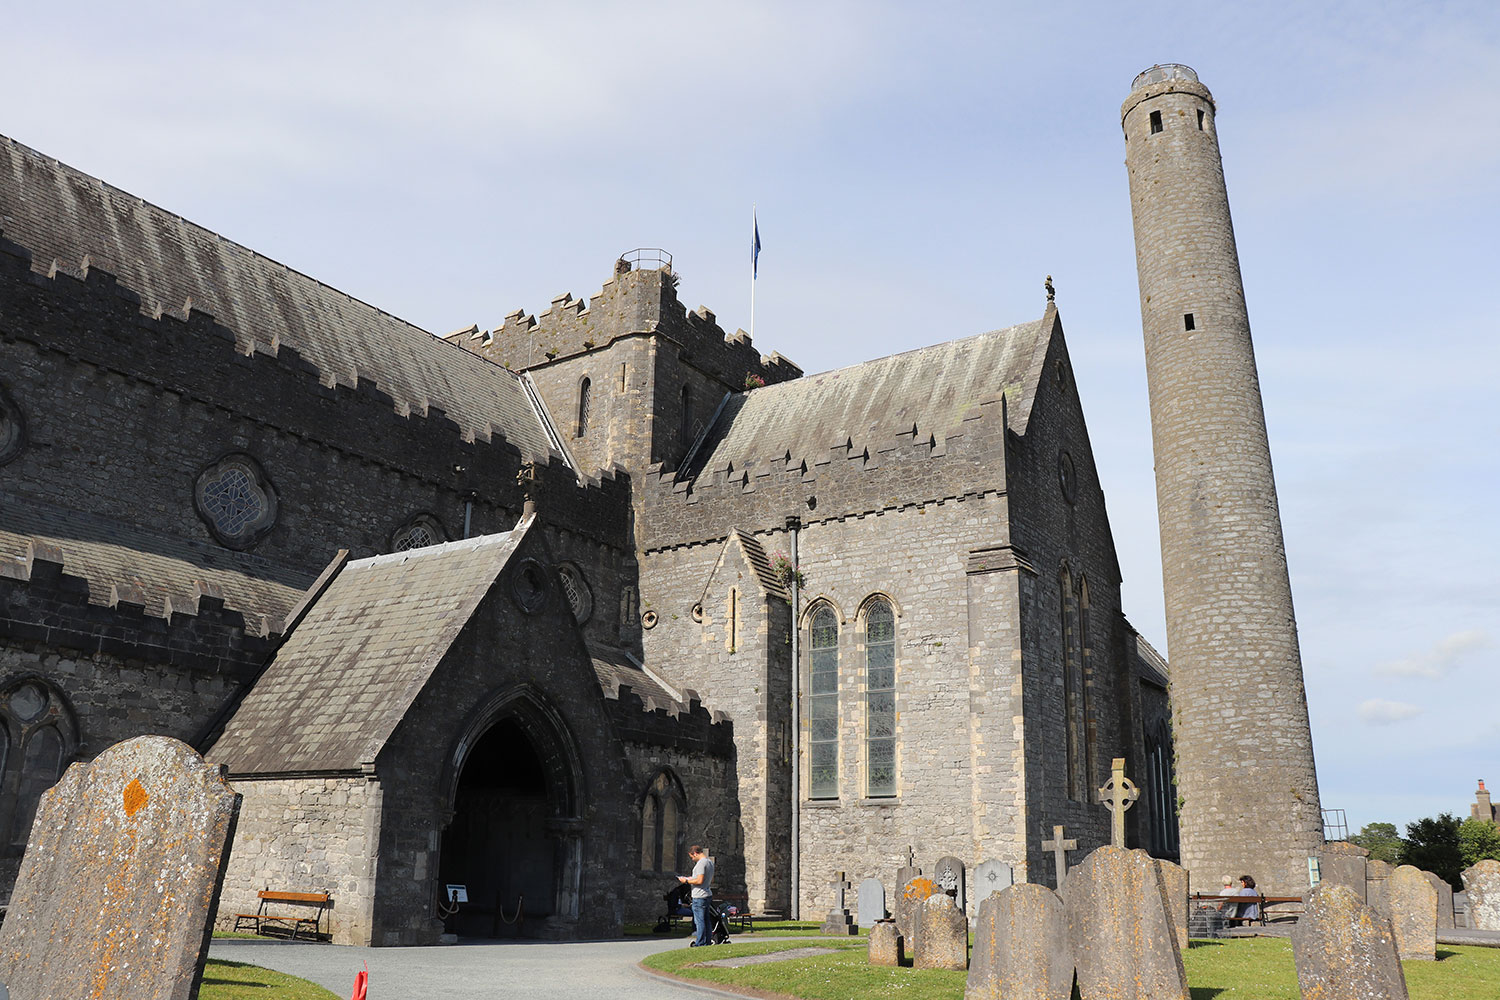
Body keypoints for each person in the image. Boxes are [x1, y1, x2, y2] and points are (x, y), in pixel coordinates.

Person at [677, 844, 715, 946]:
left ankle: (700, 943)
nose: (692, 859)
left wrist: (686, 881)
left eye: (692, 857)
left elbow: (699, 880)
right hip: (707, 894)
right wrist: (691, 878)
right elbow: (709, 879)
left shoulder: (701, 864)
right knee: (706, 920)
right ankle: (707, 941)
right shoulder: (709, 862)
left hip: (699, 896)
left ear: (695, 853)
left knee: (699, 921)